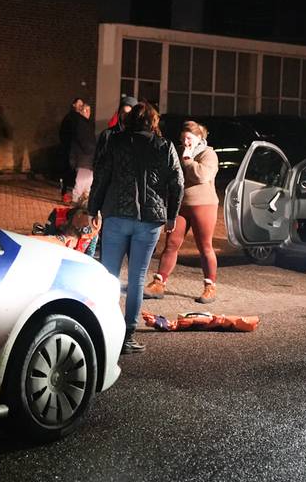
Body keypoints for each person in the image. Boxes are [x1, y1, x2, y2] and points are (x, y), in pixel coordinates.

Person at [88, 101, 183, 354]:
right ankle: (128, 335)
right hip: (150, 219)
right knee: (138, 278)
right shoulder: (164, 146)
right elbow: (177, 183)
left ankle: (105, 331)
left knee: (109, 276)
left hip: (117, 215)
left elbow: (101, 176)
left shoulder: (116, 143)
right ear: (153, 121)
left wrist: (92, 209)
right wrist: (171, 215)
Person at [145, 120, 220, 304]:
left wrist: (188, 161)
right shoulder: (178, 152)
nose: (186, 142)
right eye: (184, 138)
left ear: (199, 138)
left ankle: (210, 286)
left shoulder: (208, 154)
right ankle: (159, 282)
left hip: (204, 204)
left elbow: (202, 176)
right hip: (181, 205)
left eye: (190, 138)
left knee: (204, 246)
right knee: (171, 243)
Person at [95, 94, 137, 168]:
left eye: (129, 113)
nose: (126, 116)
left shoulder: (139, 137)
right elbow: (98, 161)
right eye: (123, 112)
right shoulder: (107, 134)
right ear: (119, 114)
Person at [58, 97, 86, 203]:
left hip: (77, 150)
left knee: (76, 173)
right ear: (73, 105)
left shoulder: (80, 118)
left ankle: (76, 194)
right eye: (79, 104)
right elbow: (64, 133)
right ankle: (65, 192)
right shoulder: (70, 117)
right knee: (67, 171)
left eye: (82, 104)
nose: (80, 106)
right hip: (69, 149)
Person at [70, 103, 95, 201]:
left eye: (89, 111)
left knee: (87, 182)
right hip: (84, 159)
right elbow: (85, 141)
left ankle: (82, 202)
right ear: (82, 111)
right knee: (81, 183)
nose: (89, 113)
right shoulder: (82, 124)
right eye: (86, 110)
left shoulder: (82, 123)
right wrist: (93, 150)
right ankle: (76, 202)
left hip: (84, 159)